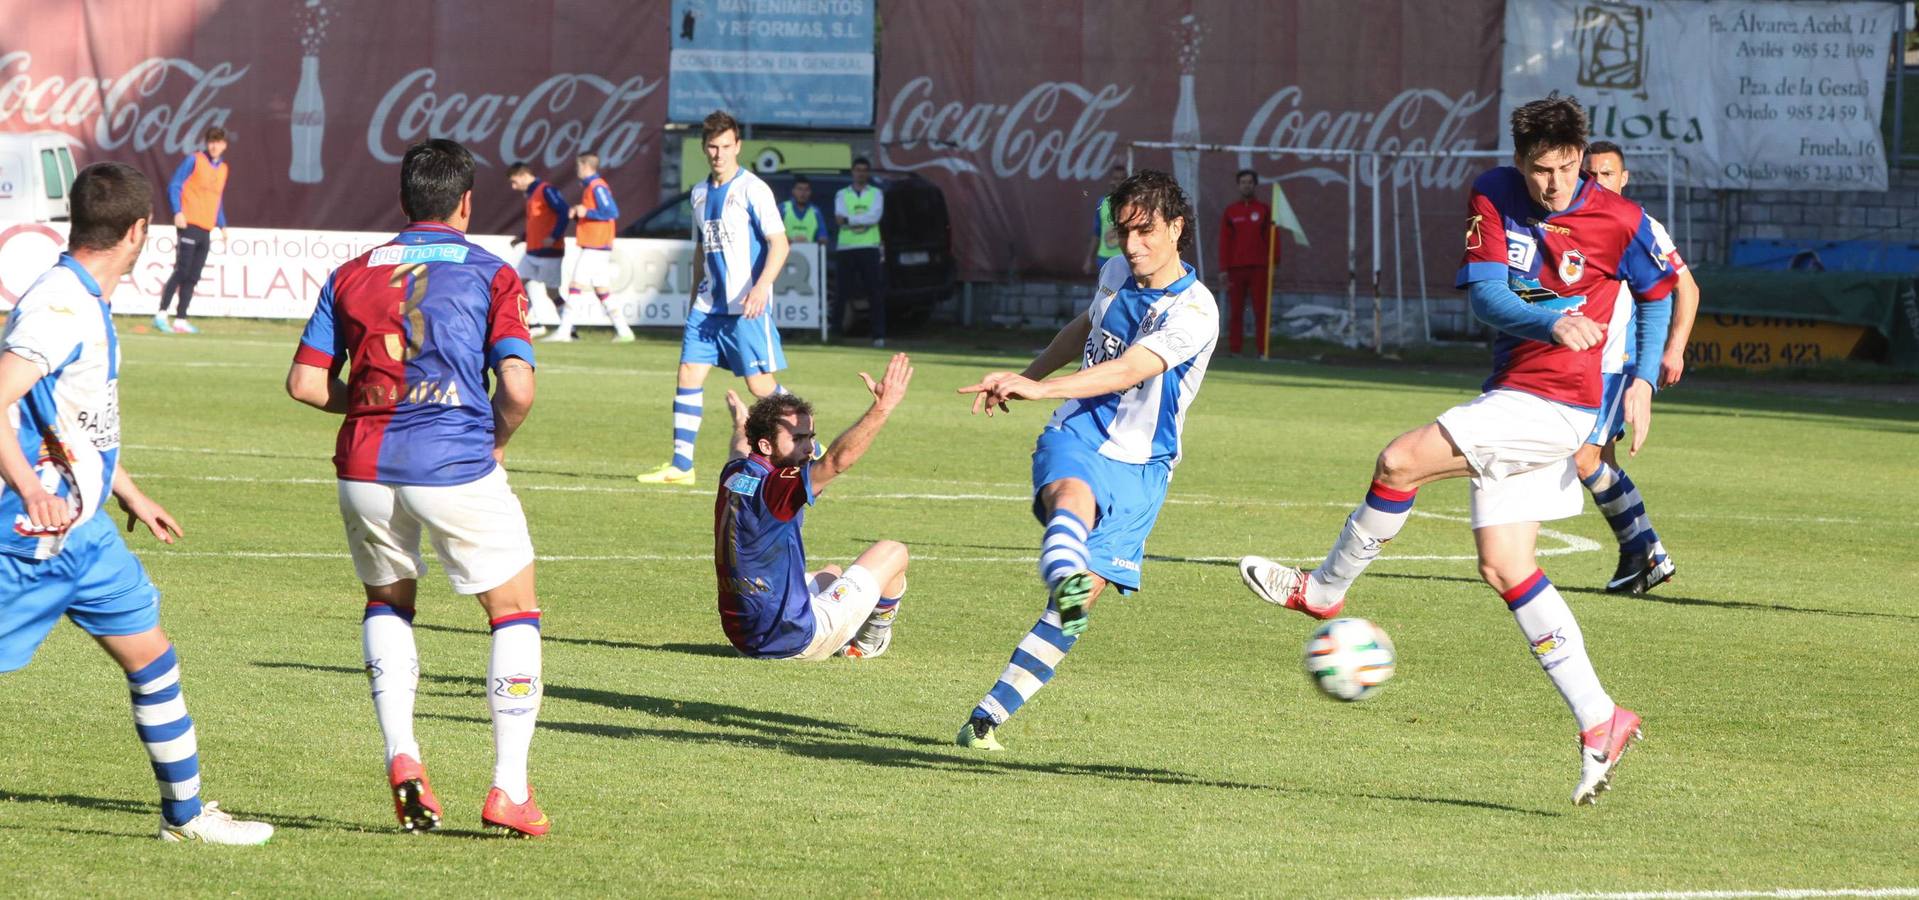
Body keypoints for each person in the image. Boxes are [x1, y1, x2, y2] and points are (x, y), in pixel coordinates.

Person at [1236, 95, 1677, 806]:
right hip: (1515, 386)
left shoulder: (1618, 218)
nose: (1554, 184)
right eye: (1541, 170)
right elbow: (1485, 299)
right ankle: (1601, 718)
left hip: (1558, 406)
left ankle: (1323, 591)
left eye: (1566, 169)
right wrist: (1548, 321)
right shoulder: (1492, 193)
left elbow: (1658, 292)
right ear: (1519, 160)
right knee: (1505, 566)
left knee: (1399, 461)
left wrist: (1644, 381)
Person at [0, 161, 271, 844]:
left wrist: (128, 489)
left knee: (152, 657)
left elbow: (69, 419)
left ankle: (185, 819)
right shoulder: (62, 306)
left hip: (84, 535)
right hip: (32, 535)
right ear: (139, 231)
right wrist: (32, 488)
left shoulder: (83, 295)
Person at [285, 138, 549, 837]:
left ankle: (403, 755)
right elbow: (517, 389)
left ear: (403, 202)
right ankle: (508, 789)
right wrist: (491, 440)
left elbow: (306, 384)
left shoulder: (350, 273)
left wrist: (375, 402)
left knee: (388, 604)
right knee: (513, 609)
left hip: (365, 464)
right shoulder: (492, 272)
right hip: (454, 461)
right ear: (467, 203)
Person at [954, 169, 1218, 751]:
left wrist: (1039, 389)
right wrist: (1029, 377)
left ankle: (987, 718)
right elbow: (1086, 328)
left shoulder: (1196, 311)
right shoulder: (1117, 271)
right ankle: (1062, 559)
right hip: (1080, 429)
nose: (1131, 245)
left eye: (1145, 231)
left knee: (1077, 603)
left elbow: (1130, 370)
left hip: (1147, 465)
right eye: (1122, 232)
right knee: (1073, 494)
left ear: (1176, 229)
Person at [712, 354, 915, 660]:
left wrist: (741, 424)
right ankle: (867, 643)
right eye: (798, 439)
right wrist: (883, 405)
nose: (808, 448)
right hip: (792, 640)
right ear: (766, 446)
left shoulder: (735, 473)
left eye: (811, 437)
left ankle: (841, 627)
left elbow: (739, 446)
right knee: (894, 552)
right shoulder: (777, 486)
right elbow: (836, 461)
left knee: (831, 574)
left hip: (746, 638)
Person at [636, 111, 792, 487]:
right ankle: (681, 465)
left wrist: (760, 288)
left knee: (759, 387)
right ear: (704, 148)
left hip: (745, 307)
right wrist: (693, 298)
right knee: (688, 374)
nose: (719, 153)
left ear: (737, 146)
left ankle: (804, 433)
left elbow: (780, 244)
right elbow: (701, 250)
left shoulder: (753, 189)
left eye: (726, 146)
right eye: (712, 146)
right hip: (707, 308)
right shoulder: (700, 193)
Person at [1579, 141, 1700, 594]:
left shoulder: (1639, 225)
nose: (1597, 182)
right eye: (1588, 174)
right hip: (1583, 359)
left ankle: (1646, 551)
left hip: (1617, 362)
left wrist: (1675, 349)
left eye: (1606, 174)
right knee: (1598, 460)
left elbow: (1687, 288)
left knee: (1582, 459)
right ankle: (1646, 553)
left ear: (1623, 179)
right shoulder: (1568, 220)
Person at [155, 126, 229, 335]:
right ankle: (161, 314)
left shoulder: (223, 169)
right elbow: (175, 185)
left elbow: (217, 199)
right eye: (211, 141)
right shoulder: (194, 160)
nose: (214, 146)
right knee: (182, 270)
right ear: (206, 143)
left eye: (218, 142)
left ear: (224, 145)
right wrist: (177, 211)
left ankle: (181, 319)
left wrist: (222, 225)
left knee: (193, 275)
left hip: (206, 227)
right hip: (189, 224)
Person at [547, 152, 629, 342]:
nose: (577, 170)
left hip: (596, 245)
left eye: (578, 166)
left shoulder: (597, 186)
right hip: (596, 244)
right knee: (602, 290)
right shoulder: (590, 187)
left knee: (575, 286)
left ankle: (564, 331)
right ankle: (624, 331)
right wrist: (579, 213)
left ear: (585, 166)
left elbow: (611, 212)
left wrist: (586, 211)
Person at [1217, 168, 1280, 356]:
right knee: (1236, 311)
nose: (1247, 185)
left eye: (1250, 182)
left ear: (1255, 185)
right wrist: (1223, 268)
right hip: (1236, 269)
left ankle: (1263, 350)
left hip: (1260, 268)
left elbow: (1273, 238)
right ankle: (1235, 350)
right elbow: (1224, 241)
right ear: (1238, 185)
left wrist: (1274, 263)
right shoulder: (1231, 211)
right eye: (1243, 182)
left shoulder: (1264, 210)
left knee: (1261, 311)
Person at [507, 162, 569, 340]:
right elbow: (538, 223)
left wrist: (555, 236)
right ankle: (534, 324)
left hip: (549, 251)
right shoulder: (532, 193)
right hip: (533, 251)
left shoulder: (546, 190)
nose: (513, 186)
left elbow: (564, 211)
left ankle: (568, 330)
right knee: (517, 284)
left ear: (522, 175)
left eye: (514, 181)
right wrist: (523, 237)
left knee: (552, 292)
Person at [833, 157, 886, 346]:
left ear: (868, 172)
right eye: (858, 169)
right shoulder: (842, 194)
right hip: (846, 247)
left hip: (869, 246)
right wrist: (860, 219)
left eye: (864, 169)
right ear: (852, 171)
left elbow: (875, 217)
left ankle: (878, 335)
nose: (861, 173)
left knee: (874, 292)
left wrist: (850, 220)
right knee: (841, 292)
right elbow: (839, 218)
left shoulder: (876, 193)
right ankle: (835, 333)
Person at [1083, 164, 1125, 275]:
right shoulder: (1102, 202)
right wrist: (1089, 259)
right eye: (1115, 179)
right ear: (1110, 181)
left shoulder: (1132, 203)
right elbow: (1097, 232)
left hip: (1124, 258)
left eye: (1122, 179)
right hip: (1104, 259)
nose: (1118, 182)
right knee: (1105, 291)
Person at [780, 175, 826, 244]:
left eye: (806, 190)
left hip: (809, 253)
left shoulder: (815, 211)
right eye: (800, 189)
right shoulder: (783, 208)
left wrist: (818, 240)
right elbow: (772, 233)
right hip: (785, 252)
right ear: (793, 191)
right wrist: (792, 241)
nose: (803, 193)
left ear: (810, 192)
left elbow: (823, 237)